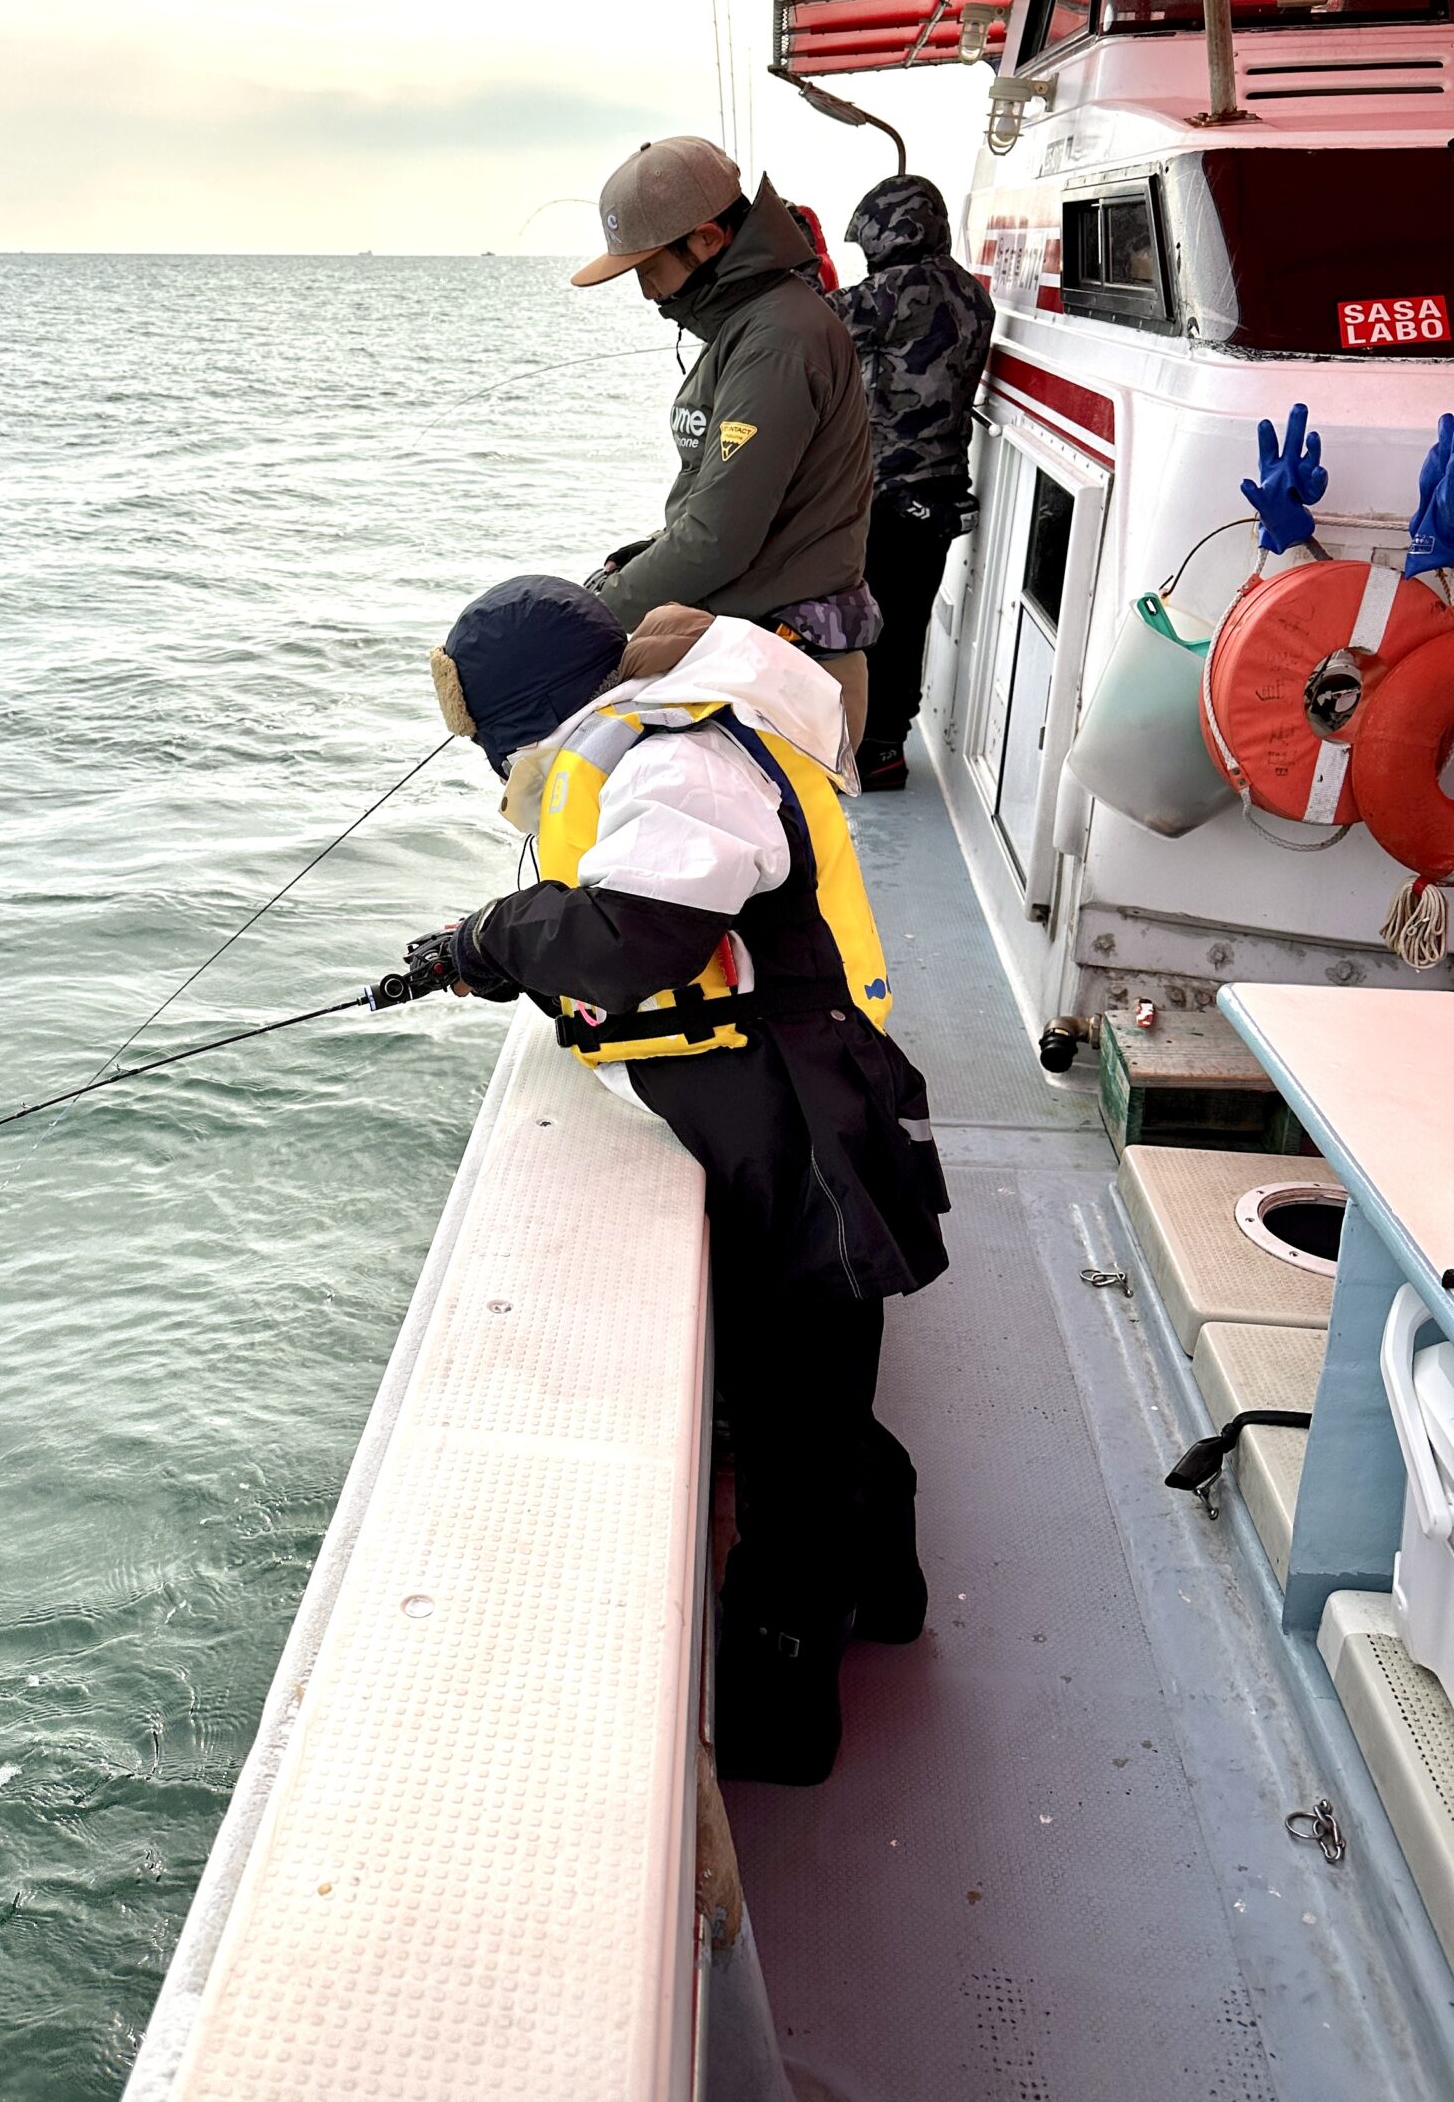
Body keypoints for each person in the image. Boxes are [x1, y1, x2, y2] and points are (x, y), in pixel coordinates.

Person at [412, 573, 950, 1785]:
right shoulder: (663, 732)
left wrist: (490, 938)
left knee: (797, 1426)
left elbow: (636, 934)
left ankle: (787, 1718)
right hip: (776, 1104)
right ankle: (891, 1586)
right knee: (800, 1387)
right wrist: (497, 950)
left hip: (804, 1121)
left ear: (527, 710)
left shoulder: (679, 755)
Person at [570, 137, 879, 758]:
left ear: (707, 241)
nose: (649, 293)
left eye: (650, 269)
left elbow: (719, 538)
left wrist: (588, 620)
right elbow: (721, 504)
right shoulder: (752, 325)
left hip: (783, 675)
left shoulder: (776, 341)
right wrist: (637, 561)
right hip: (752, 659)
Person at [829, 173, 995, 793]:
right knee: (908, 621)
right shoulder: (974, 295)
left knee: (867, 621)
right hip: (942, 491)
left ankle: (865, 751)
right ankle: (886, 746)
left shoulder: (897, 290)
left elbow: (815, 325)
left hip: (892, 492)